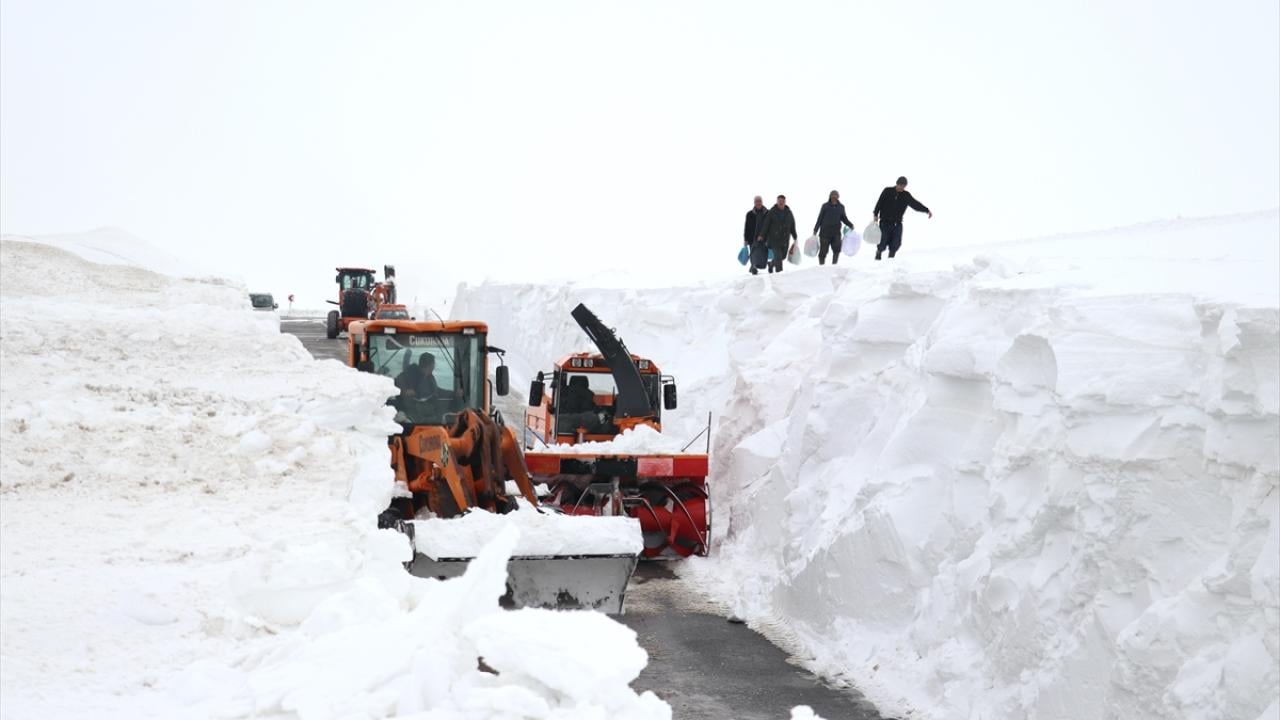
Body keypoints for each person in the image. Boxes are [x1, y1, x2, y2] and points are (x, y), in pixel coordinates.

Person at [873, 176, 932, 260]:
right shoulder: (887, 191)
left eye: (903, 186)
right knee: (882, 242)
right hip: (885, 222)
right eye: (900, 185)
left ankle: (890, 260)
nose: (901, 187)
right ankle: (878, 254)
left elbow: (915, 204)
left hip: (897, 223)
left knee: (896, 243)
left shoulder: (906, 195)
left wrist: (926, 210)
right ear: (896, 184)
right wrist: (875, 214)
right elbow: (879, 202)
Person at [756, 195, 797, 274]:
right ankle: (779, 274)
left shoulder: (789, 212)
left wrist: (795, 236)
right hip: (774, 240)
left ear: (785, 202)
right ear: (777, 202)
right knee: (778, 257)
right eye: (779, 201)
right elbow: (766, 225)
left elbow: (792, 225)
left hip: (785, 239)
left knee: (783, 256)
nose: (781, 202)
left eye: (782, 201)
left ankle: (771, 264)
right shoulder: (772, 212)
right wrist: (761, 235)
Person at [813, 190, 855, 265]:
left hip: (836, 233)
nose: (834, 197)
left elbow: (844, 218)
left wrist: (850, 225)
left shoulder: (841, 207)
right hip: (824, 233)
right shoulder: (825, 206)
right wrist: (815, 230)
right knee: (823, 251)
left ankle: (834, 265)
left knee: (837, 250)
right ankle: (821, 267)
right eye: (832, 196)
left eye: (835, 196)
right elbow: (820, 219)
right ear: (830, 196)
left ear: (838, 197)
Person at [743, 196, 768, 275]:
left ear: (762, 202)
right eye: (756, 201)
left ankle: (765, 265)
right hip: (752, 237)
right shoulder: (749, 214)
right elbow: (746, 227)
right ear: (754, 203)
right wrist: (745, 239)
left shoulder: (767, 213)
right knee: (753, 253)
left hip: (764, 237)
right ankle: (753, 266)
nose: (758, 203)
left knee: (763, 253)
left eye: (759, 201)